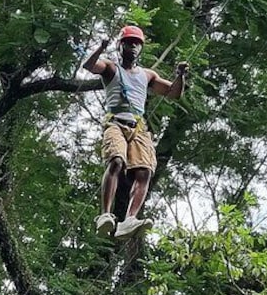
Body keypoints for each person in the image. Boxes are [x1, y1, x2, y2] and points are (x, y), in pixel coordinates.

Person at [81, 25, 189, 239]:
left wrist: (180, 76)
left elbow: (173, 93)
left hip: (138, 127)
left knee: (144, 171)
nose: (133, 47)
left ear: (141, 48)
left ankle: (129, 219)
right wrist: (100, 48)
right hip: (116, 123)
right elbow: (89, 65)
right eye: (129, 43)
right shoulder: (111, 68)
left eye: (137, 44)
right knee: (116, 161)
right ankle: (105, 215)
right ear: (120, 46)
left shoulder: (147, 75)